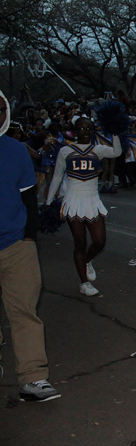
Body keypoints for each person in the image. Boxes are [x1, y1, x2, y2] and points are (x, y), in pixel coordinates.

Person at [0, 91, 60, 402]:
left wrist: (29, 236)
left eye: (0, 109)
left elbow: (28, 198)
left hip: (15, 246)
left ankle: (33, 378)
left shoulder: (16, 151)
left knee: (24, 313)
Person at [46, 118, 122, 296]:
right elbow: (57, 177)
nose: (85, 131)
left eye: (88, 128)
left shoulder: (98, 150)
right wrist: (49, 202)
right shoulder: (65, 151)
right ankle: (83, 283)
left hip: (92, 200)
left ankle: (87, 261)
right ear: (75, 131)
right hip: (73, 200)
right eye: (81, 128)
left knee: (99, 241)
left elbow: (117, 152)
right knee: (80, 242)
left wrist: (115, 130)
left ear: (93, 130)